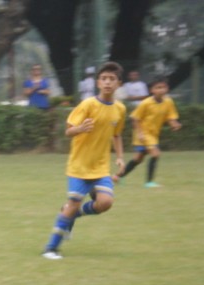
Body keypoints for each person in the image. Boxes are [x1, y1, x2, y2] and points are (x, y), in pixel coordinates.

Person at [41, 61, 126, 260]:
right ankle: (50, 249)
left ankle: (72, 215)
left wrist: (120, 157)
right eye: (104, 78)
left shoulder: (120, 109)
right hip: (79, 166)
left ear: (119, 84)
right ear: (98, 82)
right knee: (73, 204)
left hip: (100, 167)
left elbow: (117, 135)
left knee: (105, 202)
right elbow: (68, 130)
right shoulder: (88, 104)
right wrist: (79, 129)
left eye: (112, 79)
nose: (107, 82)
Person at [113, 75, 181, 188]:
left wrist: (174, 124)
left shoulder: (168, 102)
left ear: (167, 88)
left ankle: (117, 176)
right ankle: (149, 182)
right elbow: (135, 118)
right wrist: (139, 133)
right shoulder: (146, 103)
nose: (161, 90)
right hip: (143, 134)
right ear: (152, 90)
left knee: (138, 159)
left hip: (153, 135)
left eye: (163, 87)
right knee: (156, 154)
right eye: (158, 87)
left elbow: (170, 117)